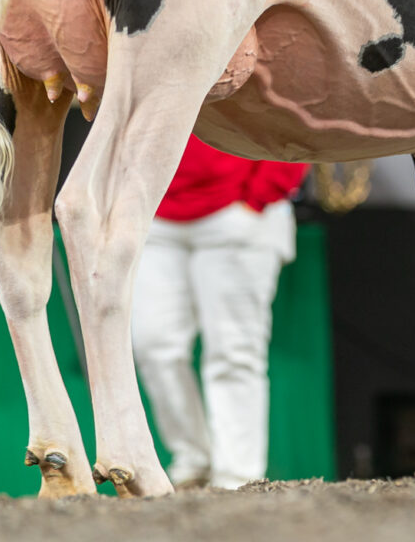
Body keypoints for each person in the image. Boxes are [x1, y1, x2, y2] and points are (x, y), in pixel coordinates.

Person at [131, 134, 308, 490]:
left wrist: (262, 195)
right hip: (155, 212)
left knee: (234, 351)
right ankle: (192, 461)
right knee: (152, 345)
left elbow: (299, 113)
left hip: (239, 210)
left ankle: (237, 476)